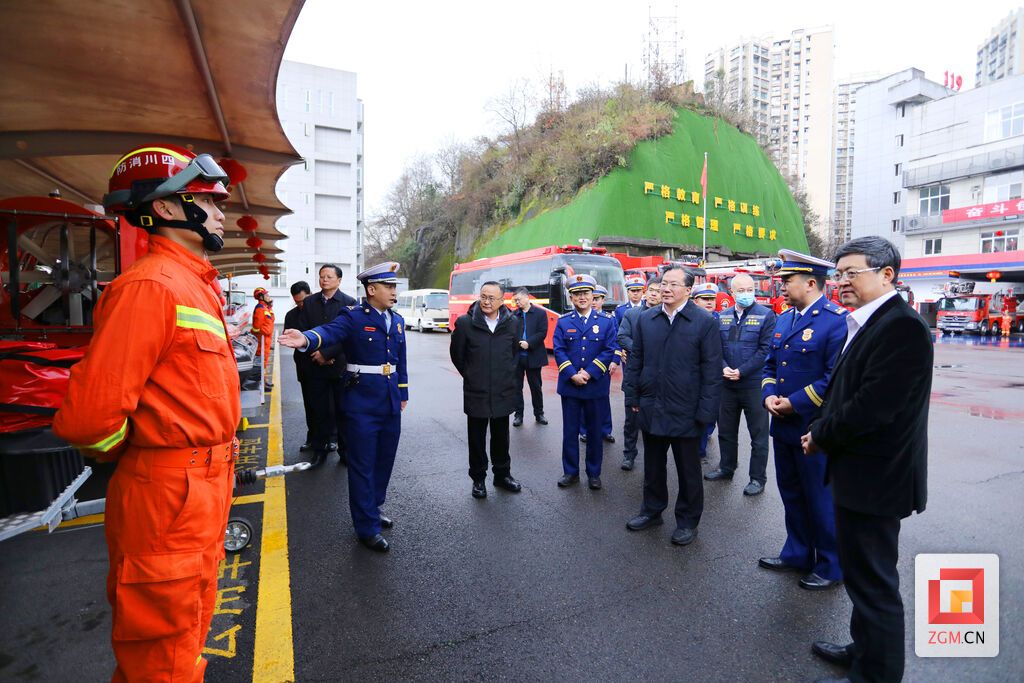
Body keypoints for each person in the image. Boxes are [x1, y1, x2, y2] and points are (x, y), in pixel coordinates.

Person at [53, 144, 240, 681]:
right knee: (162, 653)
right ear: (164, 207)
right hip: (170, 491)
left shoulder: (191, 285)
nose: (221, 212)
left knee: (188, 629)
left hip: (199, 485)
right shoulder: (150, 287)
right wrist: (146, 455)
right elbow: (90, 419)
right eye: (209, 199)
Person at [803, 237, 932, 683]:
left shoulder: (902, 327)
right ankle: (863, 649)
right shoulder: (868, 321)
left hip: (878, 478)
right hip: (859, 474)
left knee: (875, 584)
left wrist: (821, 435)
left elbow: (873, 407)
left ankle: (877, 673)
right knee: (860, 576)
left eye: (851, 273)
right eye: (838, 274)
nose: (841, 282)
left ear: (887, 274)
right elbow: (846, 392)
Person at [278, 262, 408, 552]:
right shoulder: (353, 316)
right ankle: (366, 527)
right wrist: (306, 338)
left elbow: (401, 360)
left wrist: (402, 392)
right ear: (371, 289)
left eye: (394, 286)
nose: (394, 292)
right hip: (361, 401)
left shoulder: (396, 320)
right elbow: (329, 331)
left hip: (389, 400)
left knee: (384, 460)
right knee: (362, 464)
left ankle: (373, 507)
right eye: (388, 286)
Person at [758, 249, 848, 592]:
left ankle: (830, 565)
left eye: (788, 280)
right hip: (783, 426)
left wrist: (793, 404)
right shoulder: (784, 319)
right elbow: (770, 366)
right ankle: (797, 553)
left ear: (811, 283)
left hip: (814, 428)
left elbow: (834, 378)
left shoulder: (836, 321)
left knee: (820, 499)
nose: (781, 286)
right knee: (792, 493)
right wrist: (768, 396)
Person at [624, 266, 722, 546]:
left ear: (688, 290)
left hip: (686, 410)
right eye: (663, 283)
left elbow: (712, 371)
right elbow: (636, 361)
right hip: (652, 405)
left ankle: (688, 521)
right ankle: (652, 510)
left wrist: (706, 412)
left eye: (673, 284)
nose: (666, 289)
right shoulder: (647, 319)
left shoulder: (704, 322)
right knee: (653, 466)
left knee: (688, 470)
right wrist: (633, 398)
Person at [450, 282, 524, 499]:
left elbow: (514, 353)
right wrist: (472, 375)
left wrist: (506, 375)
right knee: (476, 438)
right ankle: (478, 478)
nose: (486, 301)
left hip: (503, 390)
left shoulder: (513, 323)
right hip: (477, 391)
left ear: (502, 300)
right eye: (483, 296)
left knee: (502, 436)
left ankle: (502, 475)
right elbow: (457, 355)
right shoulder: (465, 323)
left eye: (492, 298)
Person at [705, 273, 776, 495]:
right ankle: (726, 468)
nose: (746, 294)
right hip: (726, 384)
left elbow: (765, 350)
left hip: (753, 384)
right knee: (726, 431)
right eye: (741, 290)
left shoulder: (766, 315)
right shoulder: (722, 316)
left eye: (750, 290)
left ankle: (757, 478)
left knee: (758, 435)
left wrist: (742, 371)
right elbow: (715, 348)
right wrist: (724, 367)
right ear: (732, 292)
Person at [553, 274, 619, 490]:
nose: (582, 297)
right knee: (570, 432)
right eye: (577, 294)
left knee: (594, 432)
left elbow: (609, 350)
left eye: (586, 293)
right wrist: (572, 374)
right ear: (571, 297)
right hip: (570, 386)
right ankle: (570, 472)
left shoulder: (606, 322)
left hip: (595, 386)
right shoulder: (563, 322)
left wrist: (589, 374)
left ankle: (594, 473)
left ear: (593, 296)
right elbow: (559, 350)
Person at [300, 264, 358, 467]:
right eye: (321, 276)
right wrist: (317, 354)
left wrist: (327, 354)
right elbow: (304, 331)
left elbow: (350, 335)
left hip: (339, 366)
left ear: (339, 280)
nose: (324, 279)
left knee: (343, 411)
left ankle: (345, 452)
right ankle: (319, 451)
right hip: (314, 365)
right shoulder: (309, 302)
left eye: (329, 276)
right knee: (319, 412)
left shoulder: (350, 303)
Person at [616, 277, 661, 470]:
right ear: (645, 292)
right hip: (635, 375)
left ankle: (655, 459)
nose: (654, 294)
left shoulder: (668, 317)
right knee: (631, 420)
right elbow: (622, 336)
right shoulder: (631, 314)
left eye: (658, 291)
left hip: (659, 378)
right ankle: (629, 454)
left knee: (657, 419)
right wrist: (641, 350)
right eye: (651, 290)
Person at [580, 284, 617, 444]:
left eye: (597, 299)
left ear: (603, 300)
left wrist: (614, 360)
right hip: (583, 367)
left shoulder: (609, 319)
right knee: (583, 399)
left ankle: (605, 430)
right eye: (592, 298)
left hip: (602, 366)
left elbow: (615, 342)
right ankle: (584, 431)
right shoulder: (581, 317)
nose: (594, 302)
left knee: (603, 398)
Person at [690, 283, 720, 463]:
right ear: (695, 301)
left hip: (718, 375)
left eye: (712, 299)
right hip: (697, 375)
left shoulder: (721, 319)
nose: (709, 302)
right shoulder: (690, 319)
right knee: (699, 414)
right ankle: (699, 453)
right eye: (705, 299)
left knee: (712, 414)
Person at [511, 287, 549, 426]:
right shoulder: (514, 315)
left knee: (536, 387)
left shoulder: (540, 313)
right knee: (516, 387)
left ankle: (539, 414)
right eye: (515, 300)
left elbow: (542, 332)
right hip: (517, 357)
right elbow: (510, 333)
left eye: (518, 299)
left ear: (527, 297)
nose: (517, 302)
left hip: (534, 356)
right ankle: (518, 415)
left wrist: (529, 343)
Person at [285, 280, 314, 451]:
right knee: (310, 404)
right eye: (297, 302)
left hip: (326, 364)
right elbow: (289, 339)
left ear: (310, 294)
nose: (300, 305)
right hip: (304, 365)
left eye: (303, 301)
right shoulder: (291, 315)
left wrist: (325, 355)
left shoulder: (321, 311)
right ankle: (313, 438)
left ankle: (332, 438)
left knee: (330, 406)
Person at [251, 287, 275, 389]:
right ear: (261, 297)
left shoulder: (265, 307)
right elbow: (256, 327)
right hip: (262, 341)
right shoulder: (260, 309)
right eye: (266, 295)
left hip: (266, 340)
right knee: (261, 363)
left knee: (263, 363)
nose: (268, 296)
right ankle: (262, 384)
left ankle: (264, 381)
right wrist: (265, 332)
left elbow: (272, 320)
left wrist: (270, 307)